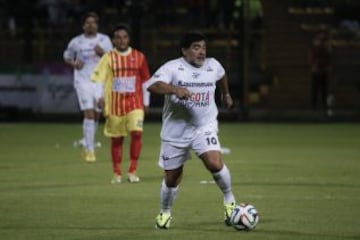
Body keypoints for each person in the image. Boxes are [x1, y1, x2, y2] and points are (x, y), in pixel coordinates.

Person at [146, 32, 236, 229]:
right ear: (184, 50)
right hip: (175, 131)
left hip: (204, 126)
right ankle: (165, 212)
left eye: (203, 47)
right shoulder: (173, 67)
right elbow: (152, 85)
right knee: (171, 178)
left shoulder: (213, 65)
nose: (201, 52)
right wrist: (174, 89)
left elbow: (221, 76)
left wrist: (226, 94)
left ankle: (230, 202)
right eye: (196, 47)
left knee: (214, 163)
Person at [91, 24, 151, 183]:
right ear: (113, 40)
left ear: (128, 39)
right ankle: (117, 173)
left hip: (135, 103)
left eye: (124, 37)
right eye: (118, 37)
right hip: (115, 104)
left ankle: (132, 170)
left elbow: (145, 81)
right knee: (117, 139)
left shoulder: (139, 57)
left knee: (137, 133)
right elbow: (98, 79)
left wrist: (146, 101)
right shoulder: (108, 57)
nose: (122, 40)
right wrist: (98, 96)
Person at [63, 12, 113, 162]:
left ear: (97, 25)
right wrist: (73, 63)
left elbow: (113, 58)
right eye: (88, 23)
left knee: (97, 114)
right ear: (83, 25)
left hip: (99, 82)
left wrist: (103, 53)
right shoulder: (76, 42)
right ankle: (89, 150)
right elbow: (66, 55)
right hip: (83, 81)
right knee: (89, 114)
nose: (91, 25)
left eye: (93, 22)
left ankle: (87, 141)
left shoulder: (104, 40)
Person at [309, 32, 331, 110]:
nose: (321, 42)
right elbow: (312, 59)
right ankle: (313, 105)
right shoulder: (315, 49)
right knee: (315, 89)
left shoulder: (326, 49)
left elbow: (328, 60)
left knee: (323, 89)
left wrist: (326, 66)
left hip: (323, 71)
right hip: (316, 71)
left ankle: (324, 104)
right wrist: (314, 66)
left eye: (322, 41)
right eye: (320, 40)